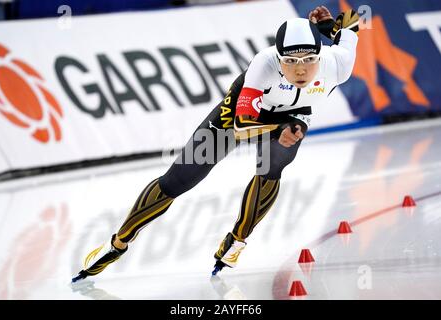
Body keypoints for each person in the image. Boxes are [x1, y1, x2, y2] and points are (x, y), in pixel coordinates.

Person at [72, 6, 359, 282]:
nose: (300, 70)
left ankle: (237, 240)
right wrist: (279, 126)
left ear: (321, 56)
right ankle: (119, 243)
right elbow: (242, 126)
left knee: (273, 164)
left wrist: (330, 27)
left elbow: (351, 25)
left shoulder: (339, 63)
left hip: (294, 115)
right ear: (278, 59)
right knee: (180, 178)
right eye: (291, 62)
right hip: (244, 113)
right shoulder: (265, 62)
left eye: (309, 60)